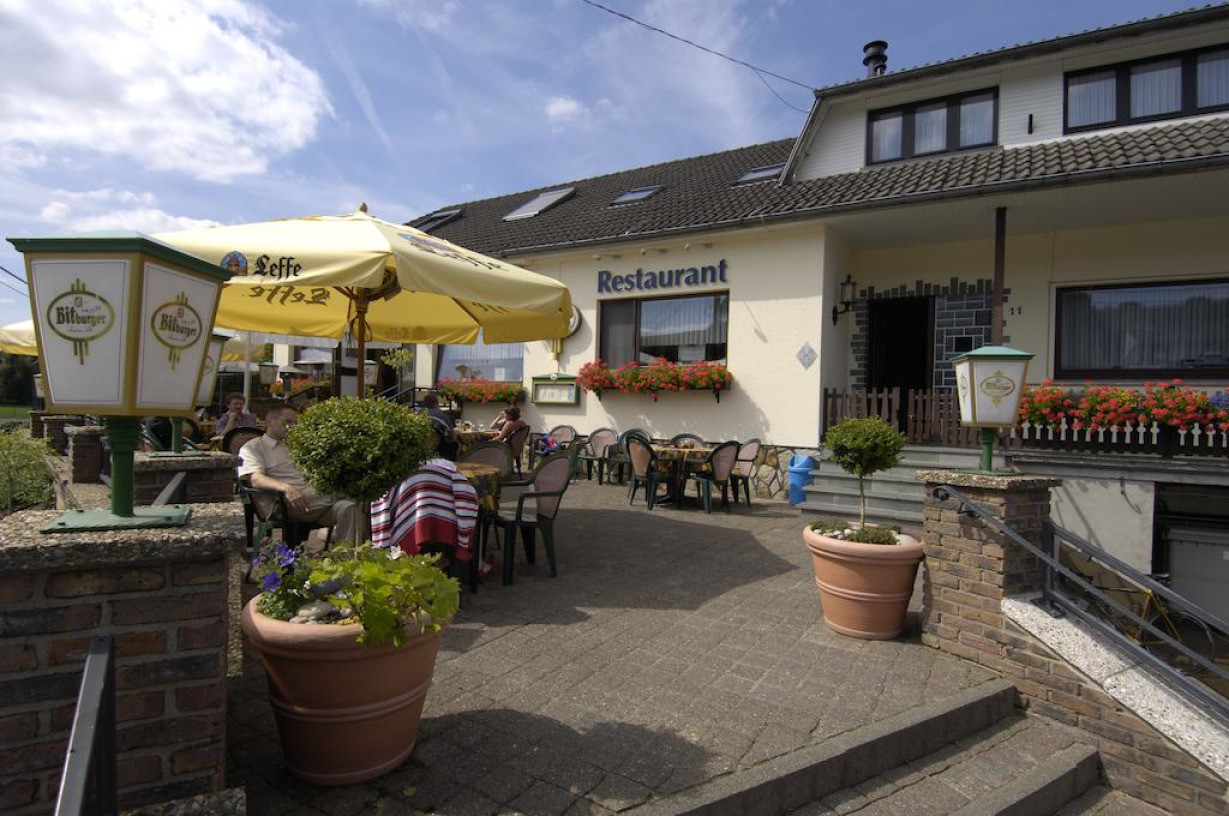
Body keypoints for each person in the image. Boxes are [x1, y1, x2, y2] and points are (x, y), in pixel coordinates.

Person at [237, 404, 364, 544]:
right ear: (269, 421)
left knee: (348, 507)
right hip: (285, 503)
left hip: (316, 503)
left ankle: (347, 555)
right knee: (357, 495)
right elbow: (255, 479)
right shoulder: (254, 447)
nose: (293, 427)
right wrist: (286, 488)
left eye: (296, 423)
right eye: (288, 422)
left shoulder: (299, 445)